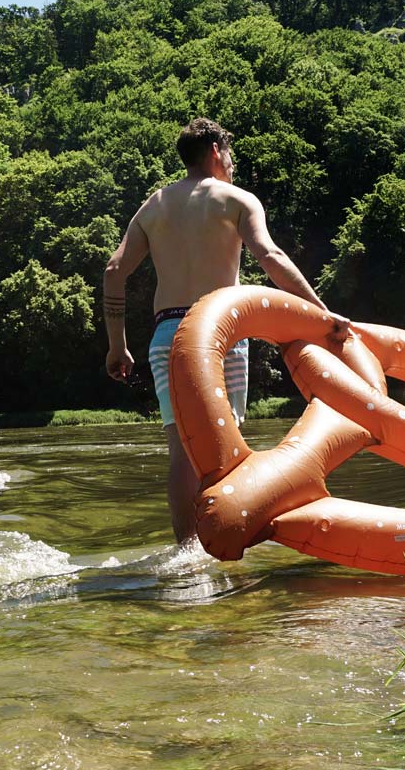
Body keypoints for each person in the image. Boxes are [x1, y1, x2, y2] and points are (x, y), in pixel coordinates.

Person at [103, 117, 348, 542]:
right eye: (230, 156)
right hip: (219, 333)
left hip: (167, 338)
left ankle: (186, 551)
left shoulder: (153, 206)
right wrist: (322, 312)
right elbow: (269, 256)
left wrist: (116, 346)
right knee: (223, 441)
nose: (232, 165)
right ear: (216, 152)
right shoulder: (237, 199)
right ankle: (224, 537)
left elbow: (113, 270)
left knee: (181, 447)